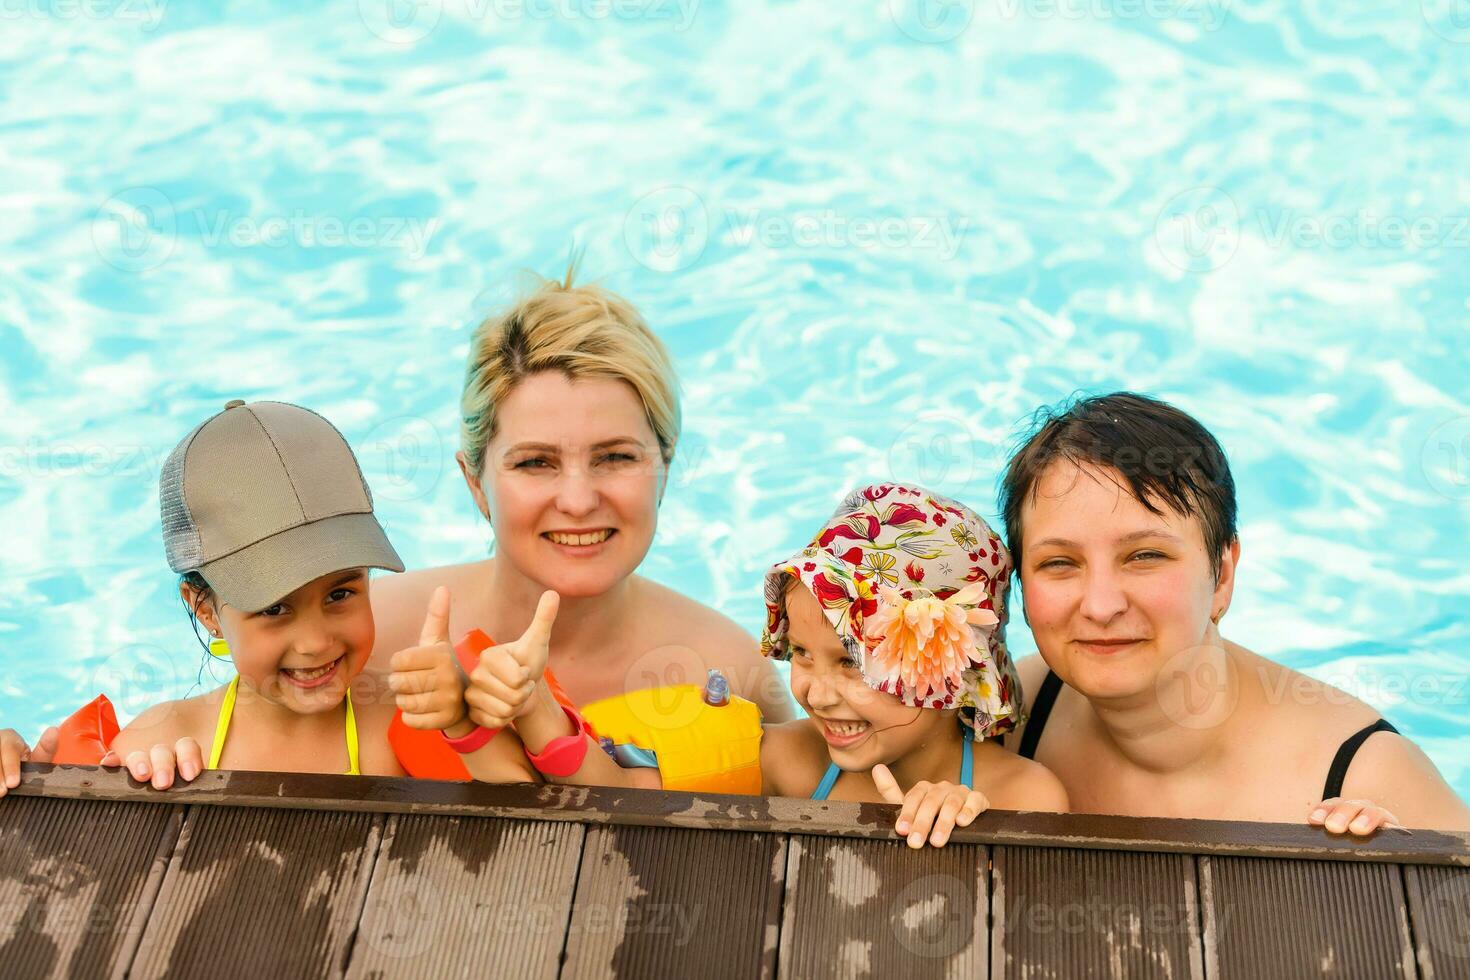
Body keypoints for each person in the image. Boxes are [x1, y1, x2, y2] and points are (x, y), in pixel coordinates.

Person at [435, 484, 1069, 848]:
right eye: (799, 654)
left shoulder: (1020, 795)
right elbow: (613, 799)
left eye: (851, 662)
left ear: (948, 665)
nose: (814, 692)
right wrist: (530, 708)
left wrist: (968, 827)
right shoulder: (786, 761)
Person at [2, 401, 536, 793]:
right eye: (274, 607)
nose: (315, 641)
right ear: (205, 607)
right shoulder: (167, 739)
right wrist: (18, 773)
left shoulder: (395, 718)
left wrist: (464, 725)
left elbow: (532, 821)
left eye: (341, 592)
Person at [999, 392, 1470, 833]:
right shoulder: (1009, 717)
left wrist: (1406, 883)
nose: (1101, 606)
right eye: (1058, 563)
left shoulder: (1364, 776)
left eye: (1145, 556)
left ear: (1221, 575)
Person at [360, 267, 794, 723]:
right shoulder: (374, 641)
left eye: (616, 458)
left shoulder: (731, 674)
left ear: (664, 470)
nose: (578, 501)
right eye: (534, 462)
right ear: (475, 483)